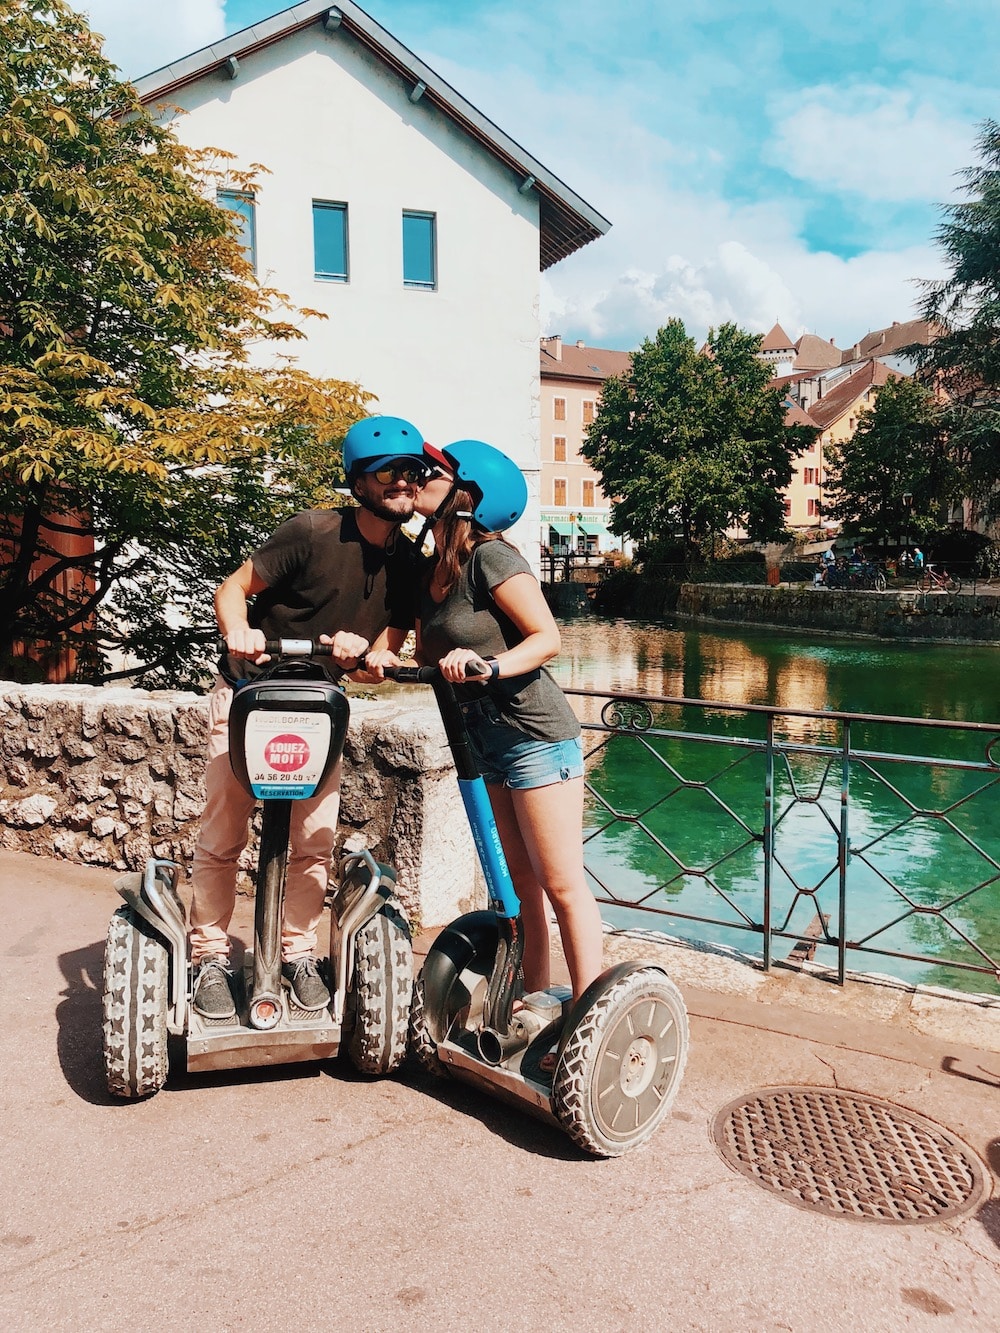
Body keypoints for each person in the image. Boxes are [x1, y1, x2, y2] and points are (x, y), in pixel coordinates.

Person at [187, 415, 430, 1019]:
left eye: (412, 472)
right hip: (249, 695)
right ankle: (209, 956)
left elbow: (381, 659)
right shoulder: (313, 531)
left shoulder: (408, 562)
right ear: (359, 482)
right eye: (388, 473)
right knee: (223, 836)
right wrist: (239, 630)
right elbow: (233, 588)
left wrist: (365, 657)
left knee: (314, 843)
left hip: (317, 709)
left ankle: (296, 954)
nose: (403, 482)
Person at [367, 439, 604, 1022]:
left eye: (432, 470)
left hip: (534, 734)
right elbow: (412, 650)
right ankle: (532, 1002)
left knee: (560, 882)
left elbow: (546, 639)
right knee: (519, 884)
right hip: (484, 739)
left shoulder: (491, 558)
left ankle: (590, 1013)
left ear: (467, 492)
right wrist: (375, 659)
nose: (416, 476)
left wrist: (488, 665)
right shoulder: (431, 572)